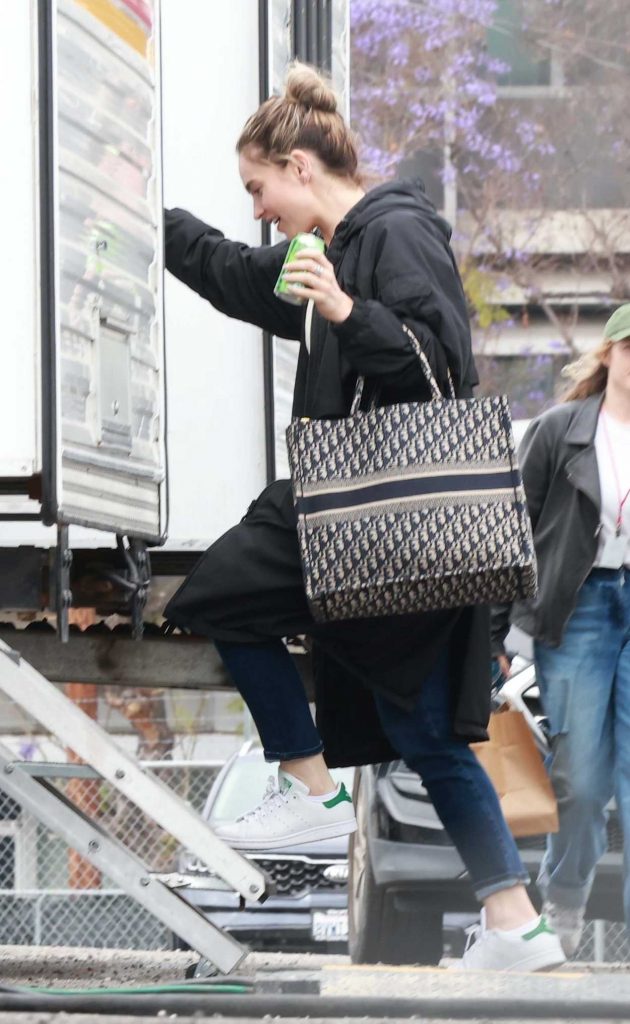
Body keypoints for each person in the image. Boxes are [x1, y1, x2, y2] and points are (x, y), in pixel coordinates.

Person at [164, 62, 565, 971]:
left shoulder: (395, 236)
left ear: (301, 167)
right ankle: (518, 928)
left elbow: (438, 375)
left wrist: (345, 310)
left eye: (260, 188)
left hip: (375, 517)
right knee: (426, 733)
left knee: (220, 593)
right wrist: (151, 225)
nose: (259, 210)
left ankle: (310, 786)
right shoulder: (326, 251)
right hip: (378, 539)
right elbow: (236, 274)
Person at [492, 303, 630, 957]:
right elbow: (512, 535)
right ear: (607, 355)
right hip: (578, 611)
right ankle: (566, 902)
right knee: (581, 777)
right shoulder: (558, 432)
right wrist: (493, 632)